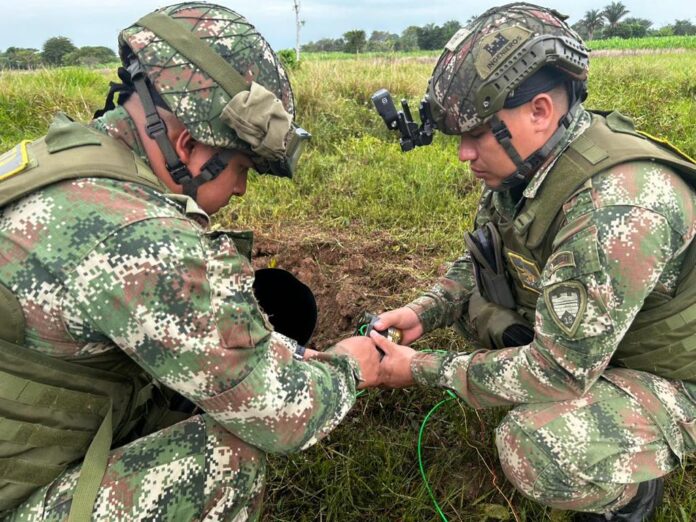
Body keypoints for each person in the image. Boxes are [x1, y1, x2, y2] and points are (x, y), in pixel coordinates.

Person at [0, 3, 380, 521]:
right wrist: (351, 366)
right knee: (229, 456)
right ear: (187, 145)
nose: (242, 188)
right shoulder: (139, 235)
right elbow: (283, 416)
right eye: (241, 167)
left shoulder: (59, 158)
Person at [372, 3, 696, 521]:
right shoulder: (529, 169)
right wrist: (423, 312)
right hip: (607, 337)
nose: (464, 155)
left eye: (476, 135)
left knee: (537, 450)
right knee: (485, 310)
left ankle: (630, 495)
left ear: (540, 111)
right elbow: (483, 254)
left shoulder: (616, 206)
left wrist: (421, 370)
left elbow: (559, 372)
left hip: (675, 370)